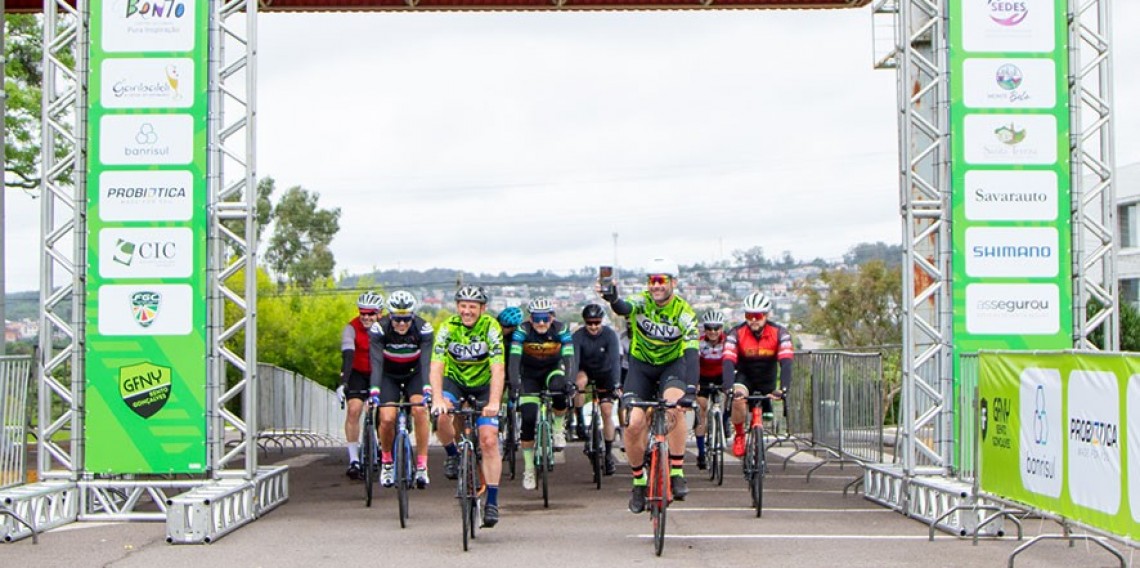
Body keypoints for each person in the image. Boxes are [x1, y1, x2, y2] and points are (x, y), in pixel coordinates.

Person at [599, 257, 698, 514]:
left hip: (671, 367)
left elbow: (691, 354)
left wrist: (691, 390)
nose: (656, 286)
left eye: (661, 281)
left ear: (673, 283)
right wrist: (612, 298)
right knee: (633, 423)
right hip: (641, 367)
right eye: (652, 281)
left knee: (675, 408)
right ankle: (639, 482)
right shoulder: (642, 301)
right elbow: (623, 307)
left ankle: (676, 471)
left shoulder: (684, 313)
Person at [429, 285, 506, 528]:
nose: (467, 310)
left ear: (482, 308)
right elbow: (436, 365)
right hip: (456, 381)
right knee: (441, 417)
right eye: (463, 305)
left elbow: (498, 368)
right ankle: (453, 455)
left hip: (483, 384)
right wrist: (438, 398)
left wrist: (494, 402)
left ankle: (492, 501)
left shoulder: (490, 327)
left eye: (472, 306)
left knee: (489, 440)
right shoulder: (448, 327)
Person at [368, 290, 434, 489]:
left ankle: (422, 465)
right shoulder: (380, 329)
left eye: (406, 319)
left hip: (414, 374)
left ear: (413, 316)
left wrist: (427, 389)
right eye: (397, 319)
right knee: (387, 417)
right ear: (390, 315)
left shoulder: (423, 329)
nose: (402, 324)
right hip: (389, 375)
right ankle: (387, 462)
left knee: (420, 410)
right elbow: (377, 362)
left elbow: (426, 363)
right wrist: (374, 391)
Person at [508, 298, 576, 491]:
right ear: (530, 318)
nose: (541, 323)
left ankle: (557, 427)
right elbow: (514, 360)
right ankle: (529, 468)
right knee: (528, 418)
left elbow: (570, 357)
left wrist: (570, 382)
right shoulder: (522, 331)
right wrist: (514, 383)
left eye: (545, 318)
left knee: (560, 389)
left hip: (552, 371)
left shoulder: (561, 329)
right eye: (537, 318)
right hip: (529, 376)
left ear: (552, 317)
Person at [722, 292, 794, 458]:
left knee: (762, 412)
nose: (753, 320)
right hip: (744, 377)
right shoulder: (736, 333)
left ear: (766, 315)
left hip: (767, 379)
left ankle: (759, 425)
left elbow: (786, 361)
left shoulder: (780, 333)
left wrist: (783, 389)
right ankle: (739, 434)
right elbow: (728, 360)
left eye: (757, 315)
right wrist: (728, 388)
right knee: (738, 401)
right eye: (749, 315)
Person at [571, 303, 621, 476]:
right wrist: (572, 384)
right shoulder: (578, 336)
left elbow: (615, 361)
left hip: (606, 373)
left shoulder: (609, 335)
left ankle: (608, 454)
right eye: (589, 323)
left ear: (602, 321)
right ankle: (579, 422)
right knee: (578, 384)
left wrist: (615, 384)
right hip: (586, 370)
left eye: (597, 322)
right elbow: (574, 361)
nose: (593, 326)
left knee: (607, 411)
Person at [338, 291, 384, 480]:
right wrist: (343, 383)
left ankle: (383, 447)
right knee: (354, 409)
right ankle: (354, 459)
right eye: (362, 313)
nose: (366, 317)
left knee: (382, 411)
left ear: (379, 314)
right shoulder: (351, 328)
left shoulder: (387, 328)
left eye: (370, 314)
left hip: (379, 372)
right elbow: (348, 355)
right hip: (357, 372)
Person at [695, 309, 728, 470]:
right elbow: (693, 362)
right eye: (709, 328)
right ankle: (701, 453)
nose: (713, 332)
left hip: (721, 375)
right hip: (703, 377)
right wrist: (694, 382)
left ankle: (726, 420)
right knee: (701, 409)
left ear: (721, 328)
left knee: (733, 395)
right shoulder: (699, 342)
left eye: (716, 328)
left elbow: (732, 362)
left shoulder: (728, 341)